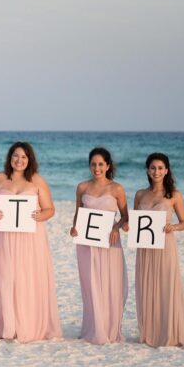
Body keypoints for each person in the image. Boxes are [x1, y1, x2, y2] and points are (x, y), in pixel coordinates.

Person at [0, 141, 61, 342]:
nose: (19, 160)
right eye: (16, 156)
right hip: (4, 235)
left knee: (27, 277)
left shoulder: (37, 181)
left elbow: (50, 209)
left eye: (24, 157)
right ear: (10, 158)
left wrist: (39, 216)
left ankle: (29, 323)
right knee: (7, 278)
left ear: (29, 160)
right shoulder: (0, 178)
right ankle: (9, 325)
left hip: (30, 237)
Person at [69, 147, 128, 345]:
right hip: (86, 243)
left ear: (108, 166)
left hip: (110, 243)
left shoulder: (116, 189)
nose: (97, 168)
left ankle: (110, 328)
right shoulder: (82, 187)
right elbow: (78, 213)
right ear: (89, 165)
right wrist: (74, 228)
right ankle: (93, 327)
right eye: (93, 164)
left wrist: (117, 227)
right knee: (91, 284)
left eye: (101, 164)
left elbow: (125, 216)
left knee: (110, 284)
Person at [132, 153, 184, 348]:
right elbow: (135, 222)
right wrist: (126, 227)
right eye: (153, 168)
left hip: (165, 246)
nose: (156, 171)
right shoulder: (140, 194)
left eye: (160, 168)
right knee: (146, 286)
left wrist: (173, 227)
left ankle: (168, 332)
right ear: (147, 170)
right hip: (145, 248)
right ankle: (149, 332)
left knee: (165, 286)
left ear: (166, 170)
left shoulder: (174, 195)